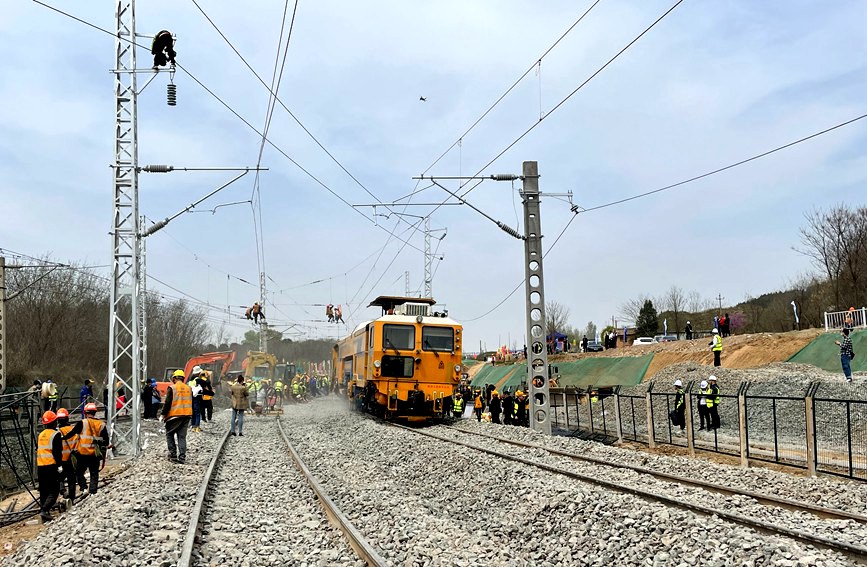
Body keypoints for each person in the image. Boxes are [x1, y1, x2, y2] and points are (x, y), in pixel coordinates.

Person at [74, 403, 108, 495]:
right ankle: (93, 491)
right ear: (95, 412)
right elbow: (106, 440)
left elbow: (72, 433)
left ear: (85, 412)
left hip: (82, 453)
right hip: (95, 454)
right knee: (94, 473)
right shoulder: (101, 424)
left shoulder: (82, 423)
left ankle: (84, 488)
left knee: (79, 472)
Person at [36, 411, 63, 522]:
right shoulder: (55, 435)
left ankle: (45, 513)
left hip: (41, 466)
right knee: (54, 490)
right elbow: (57, 452)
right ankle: (44, 509)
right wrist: (59, 466)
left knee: (44, 490)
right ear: (54, 422)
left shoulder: (41, 434)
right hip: (51, 466)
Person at [162, 370, 192, 463]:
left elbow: (167, 403)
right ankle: (182, 457)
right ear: (183, 378)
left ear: (174, 378)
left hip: (174, 416)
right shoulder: (189, 388)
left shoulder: (172, 388)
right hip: (186, 415)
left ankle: (173, 455)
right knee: (182, 437)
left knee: (169, 434)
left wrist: (163, 414)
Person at [56, 408, 78, 503]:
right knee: (71, 479)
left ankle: (62, 490)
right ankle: (72, 498)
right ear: (67, 419)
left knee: (59, 477)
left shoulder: (56, 432)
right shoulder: (73, 429)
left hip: (61, 460)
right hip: (71, 459)